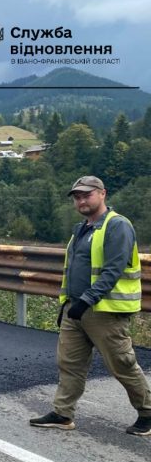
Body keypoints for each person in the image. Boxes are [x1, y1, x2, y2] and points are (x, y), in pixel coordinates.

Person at [30, 175, 150, 436]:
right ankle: (63, 413)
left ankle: (147, 412)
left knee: (122, 364)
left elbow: (113, 270)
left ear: (102, 194)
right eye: (77, 196)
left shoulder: (117, 225)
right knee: (69, 363)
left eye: (87, 194)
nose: (81, 200)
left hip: (105, 312)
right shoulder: (82, 229)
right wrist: (68, 306)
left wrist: (86, 300)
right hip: (76, 310)